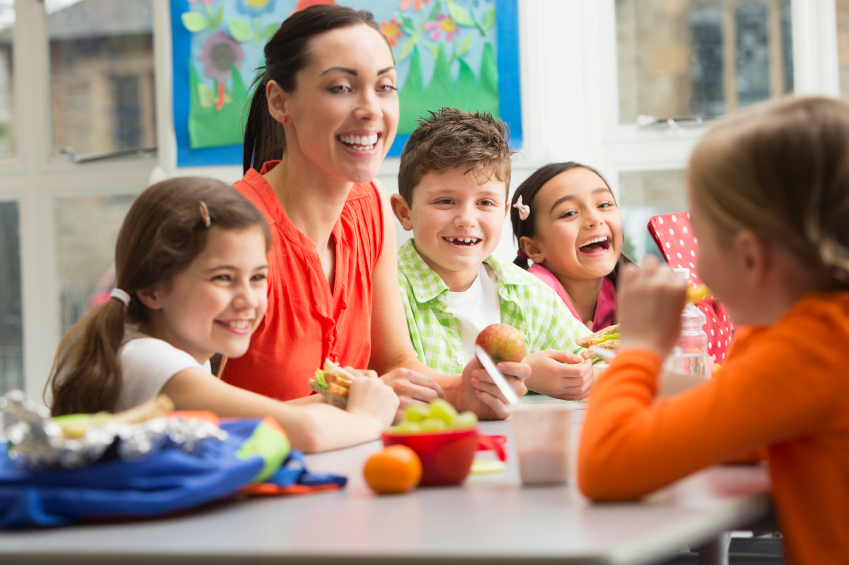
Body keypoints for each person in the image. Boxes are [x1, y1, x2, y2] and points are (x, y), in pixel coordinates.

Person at [577, 96, 849, 565]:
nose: (694, 263)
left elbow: (605, 466)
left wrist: (639, 350)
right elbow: (742, 428)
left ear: (749, 258)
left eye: (702, 236)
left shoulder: (810, 348)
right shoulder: (816, 334)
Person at [224, 5, 527, 419]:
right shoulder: (228, 226)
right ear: (281, 102)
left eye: (384, 87)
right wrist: (349, 403)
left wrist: (462, 390)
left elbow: (394, 363)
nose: (371, 110)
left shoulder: (369, 206)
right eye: (341, 88)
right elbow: (182, 407)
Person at [46, 178, 399, 453]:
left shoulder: (175, 356)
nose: (248, 300)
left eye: (258, 277)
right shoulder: (150, 360)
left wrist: (333, 399)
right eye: (223, 278)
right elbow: (304, 432)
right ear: (152, 289)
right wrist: (367, 418)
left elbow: (247, 420)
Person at [390, 108, 594, 401]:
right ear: (404, 212)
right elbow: (397, 387)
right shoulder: (386, 293)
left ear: (503, 212)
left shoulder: (529, 294)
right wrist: (525, 373)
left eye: (485, 202)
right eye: (445, 201)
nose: (466, 219)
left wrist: (581, 377)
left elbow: (594, 362)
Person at [511, 163, 628, 331]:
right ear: (534, 248)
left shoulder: (616, 290)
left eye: (604, 204)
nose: (595, 218)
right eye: (569, 213)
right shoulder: (533, 295)